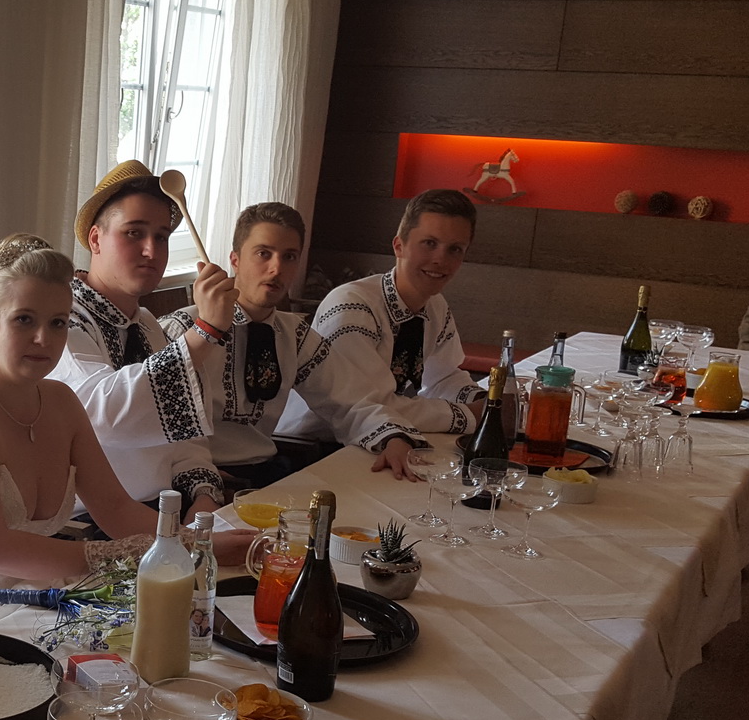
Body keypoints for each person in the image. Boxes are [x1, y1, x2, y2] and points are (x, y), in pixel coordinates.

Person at [0, 235, 251, 637]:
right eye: (24, 320)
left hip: (25, 588)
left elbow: (116, 509)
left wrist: (195, 543)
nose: (43, 339)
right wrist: (132, 553)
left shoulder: (62, 403)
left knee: (181, 623)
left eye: (58, 323)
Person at [50, 160, 237, 518]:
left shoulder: (147, 324)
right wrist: (205, 333)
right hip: (86, 524)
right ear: (95, 239)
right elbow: (100, 415)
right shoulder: (61, 318)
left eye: (161, 236)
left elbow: (184, 440)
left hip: (163, 511)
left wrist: (203, 495)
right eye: (134, 233)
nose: (151, 250)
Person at [276, 187, 486, 480]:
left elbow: (442, 376)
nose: (441, 259)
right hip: (313, 451)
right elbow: (371, 404)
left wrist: (487, 402)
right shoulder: (353, 305)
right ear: (399, 246)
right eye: (429, 243)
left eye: (455, 249)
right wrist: (466, 416)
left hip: (384, 440)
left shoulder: (435, 305)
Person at [158, 202, 364, 489]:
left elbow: (348, 400)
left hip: (265, 474)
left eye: (289, 257)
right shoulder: (181, 329)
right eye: (263, 253)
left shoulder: (294, 334)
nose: (276, 268)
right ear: (235, 260)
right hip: (189, 478)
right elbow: (146, 420)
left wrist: (390, 437)